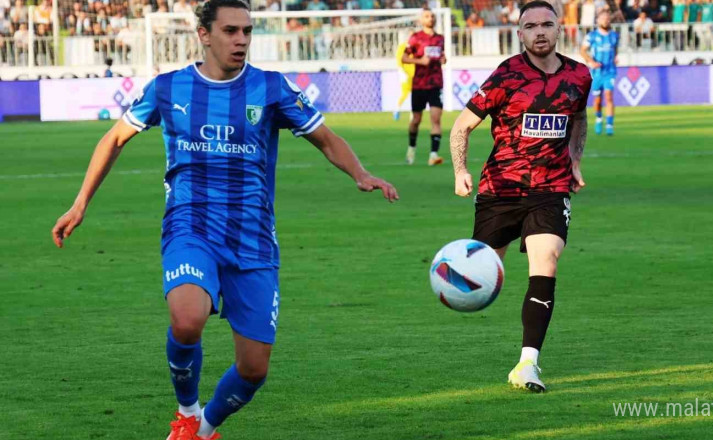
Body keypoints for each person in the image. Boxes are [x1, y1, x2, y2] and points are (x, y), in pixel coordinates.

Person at [50, 1, 399, 439]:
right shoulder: (168, 88)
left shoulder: (271, 88)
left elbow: (326, 139)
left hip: (253, 240)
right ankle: (187, 410)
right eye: (231, 31)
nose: (241, 40)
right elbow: (114, 138)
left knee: (253, 369)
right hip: (190, 224)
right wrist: (80, 202)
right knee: (187, 318)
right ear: (204, 34)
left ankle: (205, 428)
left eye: (247, 31)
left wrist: (360, 172)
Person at [448, 0, 589, 393]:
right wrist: (461, 171)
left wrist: (575, 161)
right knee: (480, 277)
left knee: (547, 260)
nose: (540, 32)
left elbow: (578, 118)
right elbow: (461, 127)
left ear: (560, 29)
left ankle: (528, 364)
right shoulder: (506, 75)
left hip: (551, 188)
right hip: (500, 190)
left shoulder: (579, 76)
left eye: (547, 24)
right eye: (531, 26)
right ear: (520, 34)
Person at [401, 8, 446, 166]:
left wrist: (443, 59)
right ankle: (411, 148)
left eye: (432, 16)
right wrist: (420, 61)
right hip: (419, 84)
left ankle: (433, 155)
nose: (431, 19)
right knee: (416, 120)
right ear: (421, 20)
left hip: (435, 84)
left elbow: (441, 56)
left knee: (435, 119)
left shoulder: (440, 38)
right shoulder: (415, 38)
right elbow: (404, 58)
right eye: (427, 16)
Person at [579, 10, 618, 136]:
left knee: (608, 96)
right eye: (603, 18)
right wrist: (591, 61)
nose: (606, 20)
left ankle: (609, 124)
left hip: (610, 71)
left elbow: (615, 49)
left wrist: (615, 57)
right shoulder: (592, 36)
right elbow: (583, 51)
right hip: (596, 72)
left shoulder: (614, 35)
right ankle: (599, 118)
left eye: (608, 18)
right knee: (597, 100)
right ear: (598, 21)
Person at [393, 30, 415, 121]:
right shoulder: (403, 46)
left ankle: (413, 114)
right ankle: (397, 109)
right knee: (405, 93)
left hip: (416, 75)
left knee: (415, 95)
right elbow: (399, 60)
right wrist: (401, 71)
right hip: (406, 74)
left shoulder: (417, 47)